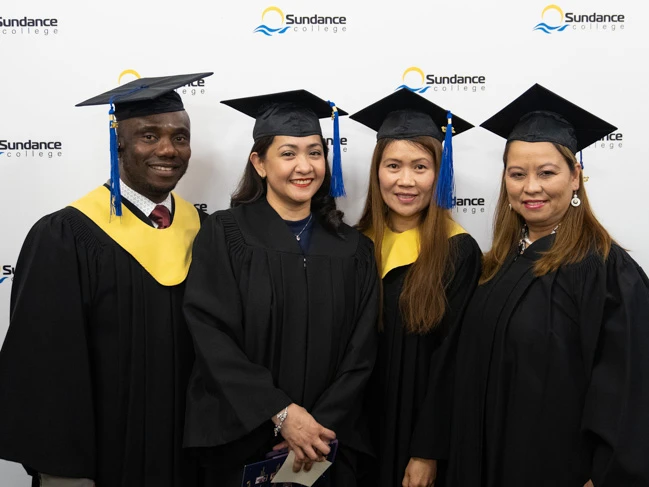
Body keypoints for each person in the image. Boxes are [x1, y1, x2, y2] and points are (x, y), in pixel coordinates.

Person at [0, 72, 213, 487]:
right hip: (103, 458)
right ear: (118, 143)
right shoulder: (66, 236)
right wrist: (63, 472)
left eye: (180, 137)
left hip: (189, 455)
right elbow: (45, 367)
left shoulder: (205, 233)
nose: (168, 149)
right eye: (148, 136)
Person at [445, 84, 649, 486]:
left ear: (575, 177)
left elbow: (630, 395)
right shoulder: (496, 264)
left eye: (548, 173)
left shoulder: (606, 271)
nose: (531, 187)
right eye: (517, 174)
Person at [182, 90, 379, 486]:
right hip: (243, 440)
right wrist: (282, 414)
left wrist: (315, 429)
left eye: (314, 153)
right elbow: (212, 336)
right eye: (288, 153)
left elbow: (362, 350)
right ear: (259, 162)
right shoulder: (225, 234)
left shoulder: (353, 249)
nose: (304, 166)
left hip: (326, 446)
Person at [350, 88, 482, 487]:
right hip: (353, 428)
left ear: (439, 174)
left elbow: (453, 363)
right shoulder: (354, 246)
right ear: (377, 172)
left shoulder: (458, 252)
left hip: (416, 431)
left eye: (421, 167)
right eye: (393, 165)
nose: (405, 181)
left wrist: (427, 451)